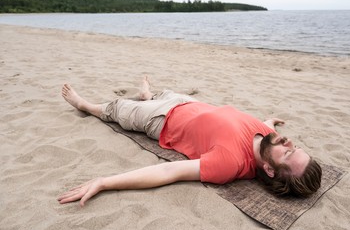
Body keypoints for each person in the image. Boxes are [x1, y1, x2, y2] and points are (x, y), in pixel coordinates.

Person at [58, 77, 322, 206]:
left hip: (162, 119)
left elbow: (168, 171)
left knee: (117, 109)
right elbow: (267, 130)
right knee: (165, 93)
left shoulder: (229, 164)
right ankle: (148, 94)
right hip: (189, 103)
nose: (288, 143)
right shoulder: (269, 140)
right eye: (294, 147)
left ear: (269, 169)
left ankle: (85, 105)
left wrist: (105, 182)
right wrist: (270, 121)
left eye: (287, 154)